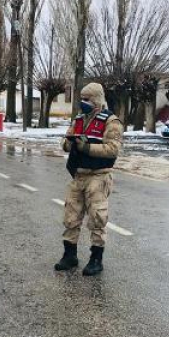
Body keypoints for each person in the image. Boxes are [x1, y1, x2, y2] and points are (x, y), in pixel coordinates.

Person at [55, 83, 123, 276]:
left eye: (88, 99)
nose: (84, 103)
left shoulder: (111, 121)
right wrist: (68, 143)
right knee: (71, 215)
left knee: (97, 217)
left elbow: (113, 149)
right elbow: (65, 142)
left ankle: (96, 259)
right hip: (78, 174)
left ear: (97, 99)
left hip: (98, 175)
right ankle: (70, 255)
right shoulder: (79, 119)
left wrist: (87, 148)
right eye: (82, 99)